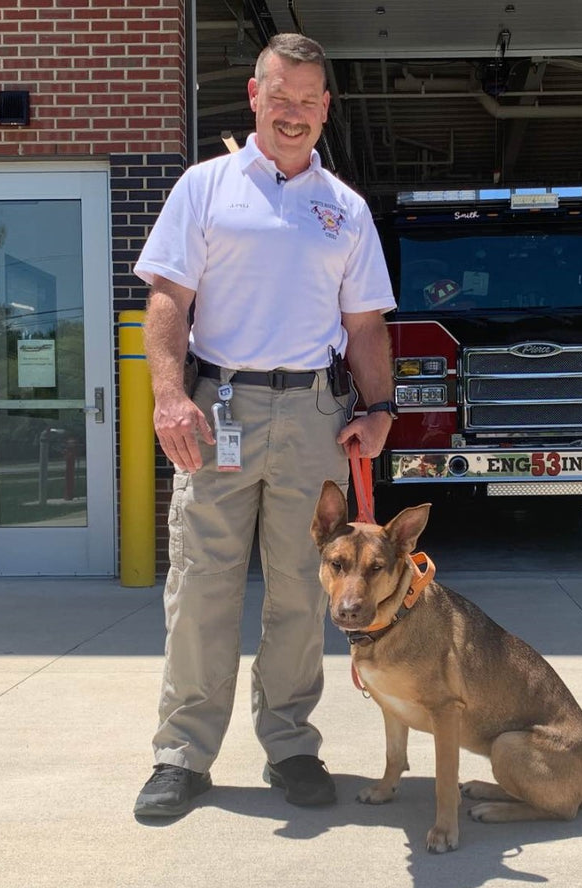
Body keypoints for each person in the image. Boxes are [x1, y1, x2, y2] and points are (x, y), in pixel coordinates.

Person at [130, 32, 397, 819]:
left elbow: (365, 324)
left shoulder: (345, 209)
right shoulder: (205, 188)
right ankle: (183, 754)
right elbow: (167, 301)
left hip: (313, 414)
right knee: (202, 586)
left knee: (304, 592)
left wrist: (379, 408)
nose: (294, 113)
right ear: (255, 96)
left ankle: (290, 745)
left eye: (309, 101)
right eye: (281, 97)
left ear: (326, 109)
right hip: (218, 410)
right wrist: (169, 395)